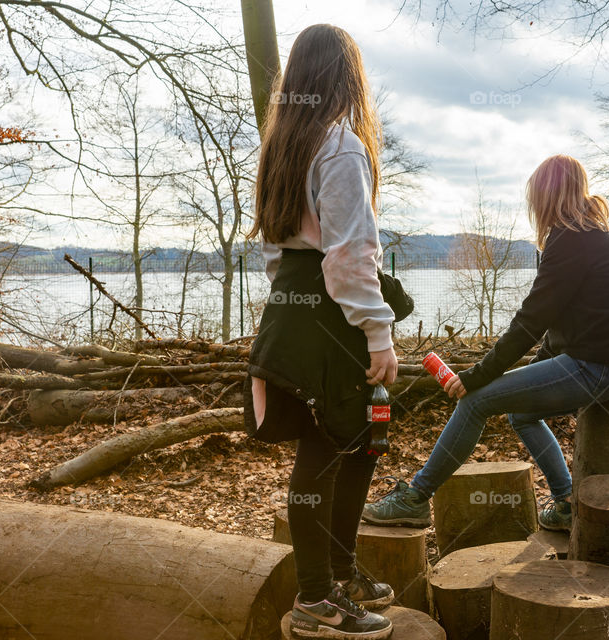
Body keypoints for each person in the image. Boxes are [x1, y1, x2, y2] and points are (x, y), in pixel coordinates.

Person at [362, 154, 609, 532]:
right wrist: (528, 371)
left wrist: (479, 375)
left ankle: (415, 499)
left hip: (602, 367)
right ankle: (564, 502)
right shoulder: (594, 235)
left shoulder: (572, 240)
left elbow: (530, 322)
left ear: (545, 197)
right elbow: (558, 326)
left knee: (475, 401)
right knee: (521, 413)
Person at [245, 24, 412, 640]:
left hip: (294, 313)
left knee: (355, 443)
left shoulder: (280, 146)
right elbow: (349, 255)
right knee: (326, 453)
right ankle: (315, 599)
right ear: (349, 77)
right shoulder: (339, 145)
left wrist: (296, 303)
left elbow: (272, 251)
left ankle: (338, 574)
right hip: (332, 319)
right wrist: (378, 332)